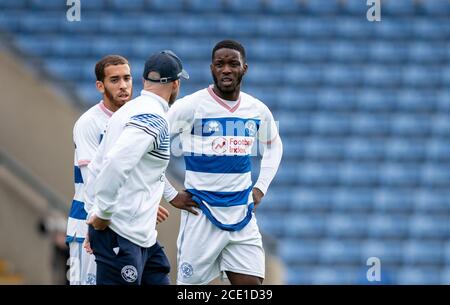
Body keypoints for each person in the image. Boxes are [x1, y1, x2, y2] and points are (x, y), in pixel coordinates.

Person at [168, 40, 283, 285]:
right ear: (212, 69)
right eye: (220, 64)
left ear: (245, 68)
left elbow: (274, 145)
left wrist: (261, 186)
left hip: (242, 215)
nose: (226, 70)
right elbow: (151, 145)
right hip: (201, 216)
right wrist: (169, 193)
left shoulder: (257, 110)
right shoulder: (190, 106)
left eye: (233, 64)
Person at [84, 50, 196, 285]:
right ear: (175, 84)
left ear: (144, 81)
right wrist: (101, 214)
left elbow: (97, 167)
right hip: (121, 234)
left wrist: (94, 214)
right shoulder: (153, 117)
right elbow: (115, 164)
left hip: (143, 238)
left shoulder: (128, 110)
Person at [65, 55, 170, 285]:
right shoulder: (89, 123)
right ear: (100, 86)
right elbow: (95, 177)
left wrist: (148, 202)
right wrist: (97, 220)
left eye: (127, 78)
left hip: (118, 224)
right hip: (89, 223)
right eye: (114, 80)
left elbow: (143, 167)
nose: (123, 85)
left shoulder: (134, 118)